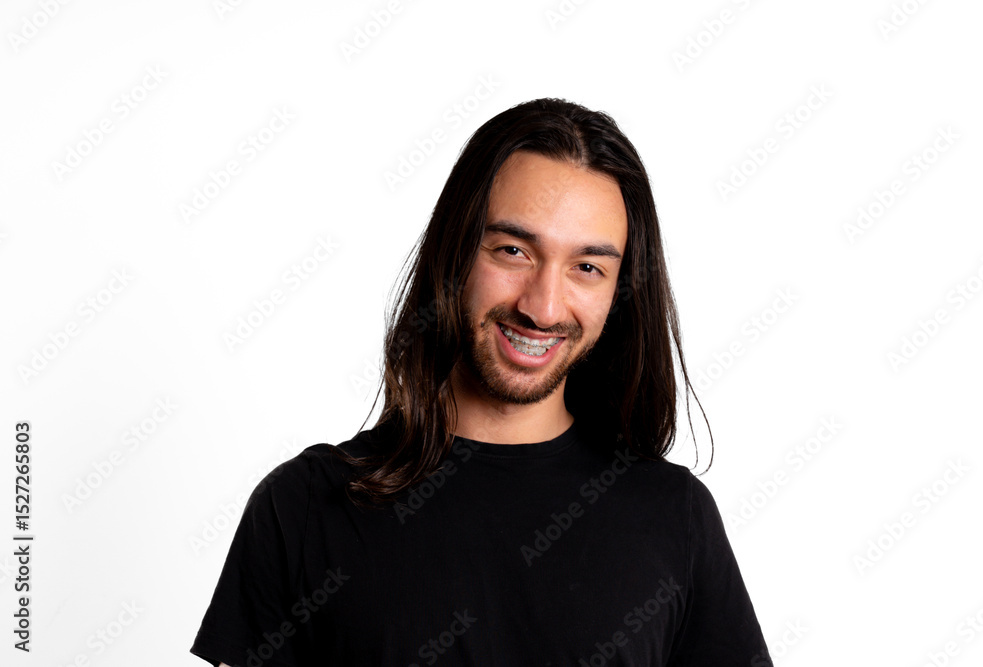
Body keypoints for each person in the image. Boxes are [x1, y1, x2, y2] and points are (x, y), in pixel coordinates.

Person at [190, 98, 773, 666]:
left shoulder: (674, 517)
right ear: (456, 251)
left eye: (586, 268)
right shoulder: (304, 507)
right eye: (513, 250)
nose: (543, 308)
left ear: (620, 292)